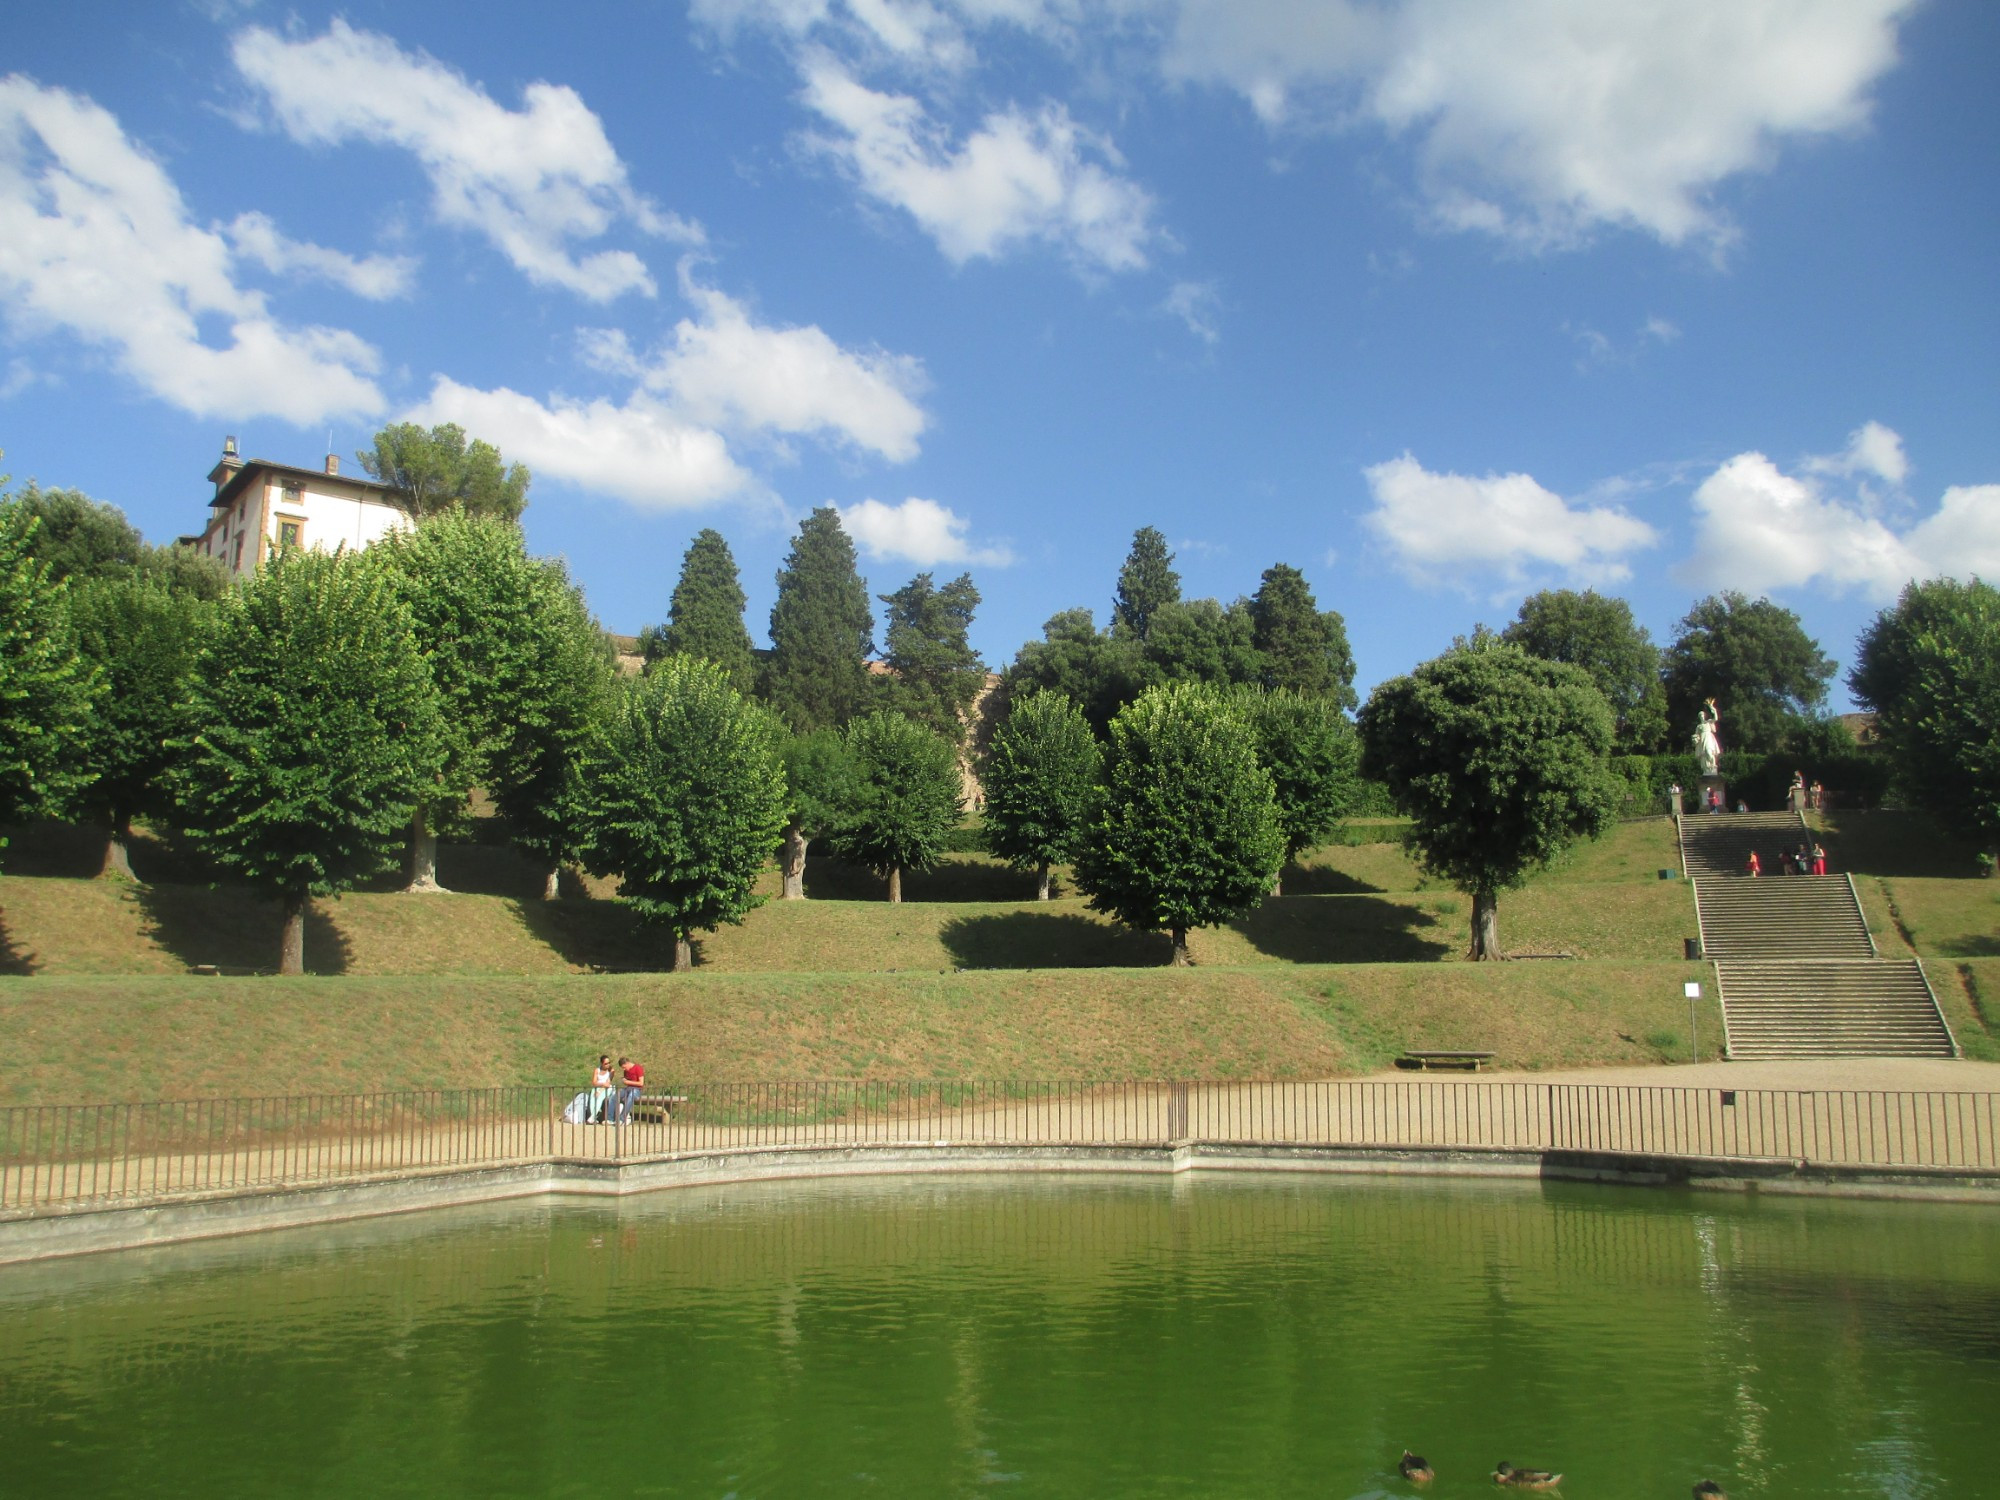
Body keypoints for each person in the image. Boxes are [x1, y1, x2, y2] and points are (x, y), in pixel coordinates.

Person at [611, 1055, 644, 1125]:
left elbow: (641, 1083)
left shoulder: (638, 1068)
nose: (623, 1069)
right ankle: (609, 1118)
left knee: (631, 1096)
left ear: (627, 1063)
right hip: (628, 1088)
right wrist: (624, 1080)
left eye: (624, 1067)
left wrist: (627, 1082)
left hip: (637, 1089)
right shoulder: (626, 1071)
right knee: (615, 1096)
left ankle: (622, 1118)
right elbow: (627, 1081)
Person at [589, 1054, 614, 1124]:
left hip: (607, 1088)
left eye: (609, 1063)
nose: (608, 1065)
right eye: (606, 1063)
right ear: (601, 1064)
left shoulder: (611, 1070)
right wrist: (601, 1084)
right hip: (598, 1087)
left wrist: (599, 1091)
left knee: (599, 1098)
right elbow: (594, 1082)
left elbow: (607, 1083)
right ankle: (592, 1116)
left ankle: (592, 1117)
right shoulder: (597, 1070)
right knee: (592, 1098)